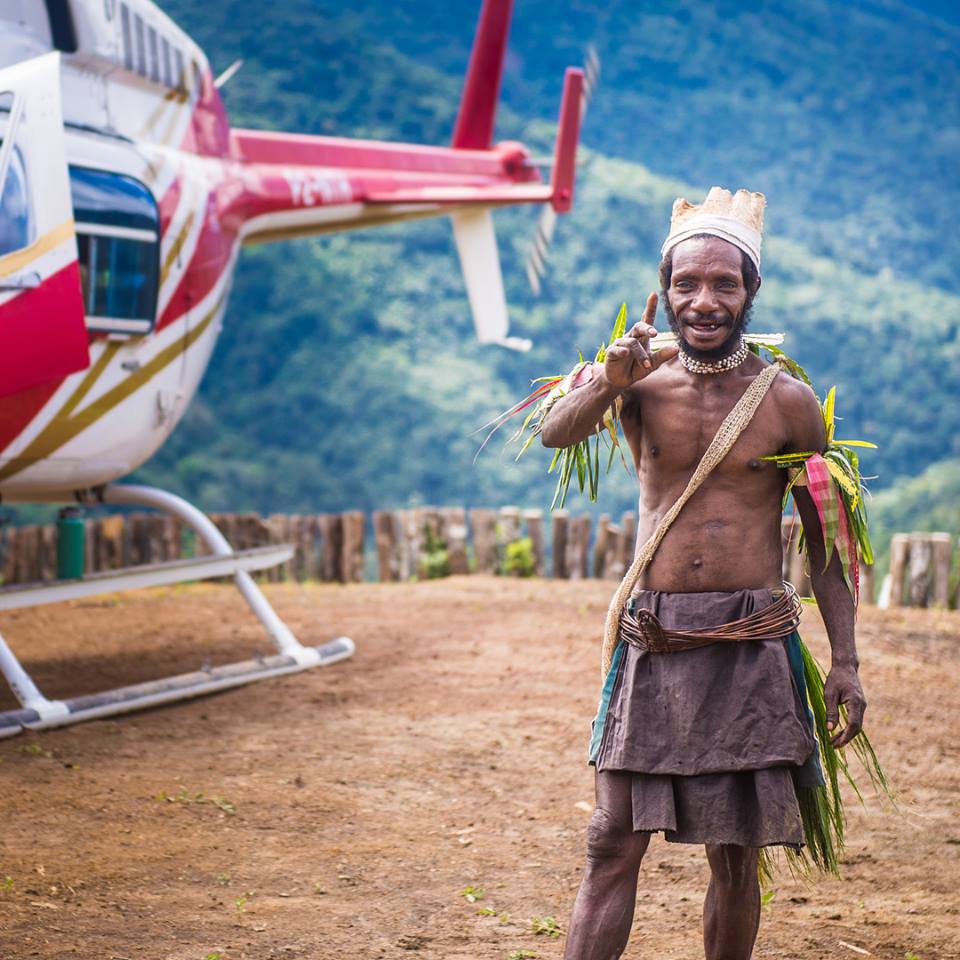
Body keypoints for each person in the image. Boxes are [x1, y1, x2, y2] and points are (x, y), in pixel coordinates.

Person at [540, 187, 867, 960]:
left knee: (736, 854)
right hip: (652, 638)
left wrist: (846, 662)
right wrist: (609, 379)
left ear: (751, 290)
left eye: (725, 283)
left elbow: (825, 545)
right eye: (687, 283)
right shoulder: (635, 385)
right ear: (664, 289)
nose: (705, 300)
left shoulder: (788, 404)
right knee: (610, 842)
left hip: (750, 648)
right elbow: (557, 433)